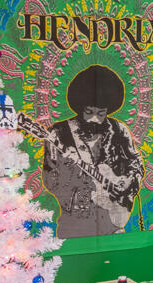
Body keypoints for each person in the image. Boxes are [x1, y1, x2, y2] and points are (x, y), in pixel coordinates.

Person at [43, 64, 141, 237]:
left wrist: (128, 182)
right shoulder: (58, 133)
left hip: (115, 223)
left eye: (101, 113)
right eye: (89, 112)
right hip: (75, 225)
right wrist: (70, 173)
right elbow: (51, 180)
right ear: (80, 107)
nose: (95, 119)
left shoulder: (119, 129)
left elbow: (136, 164)